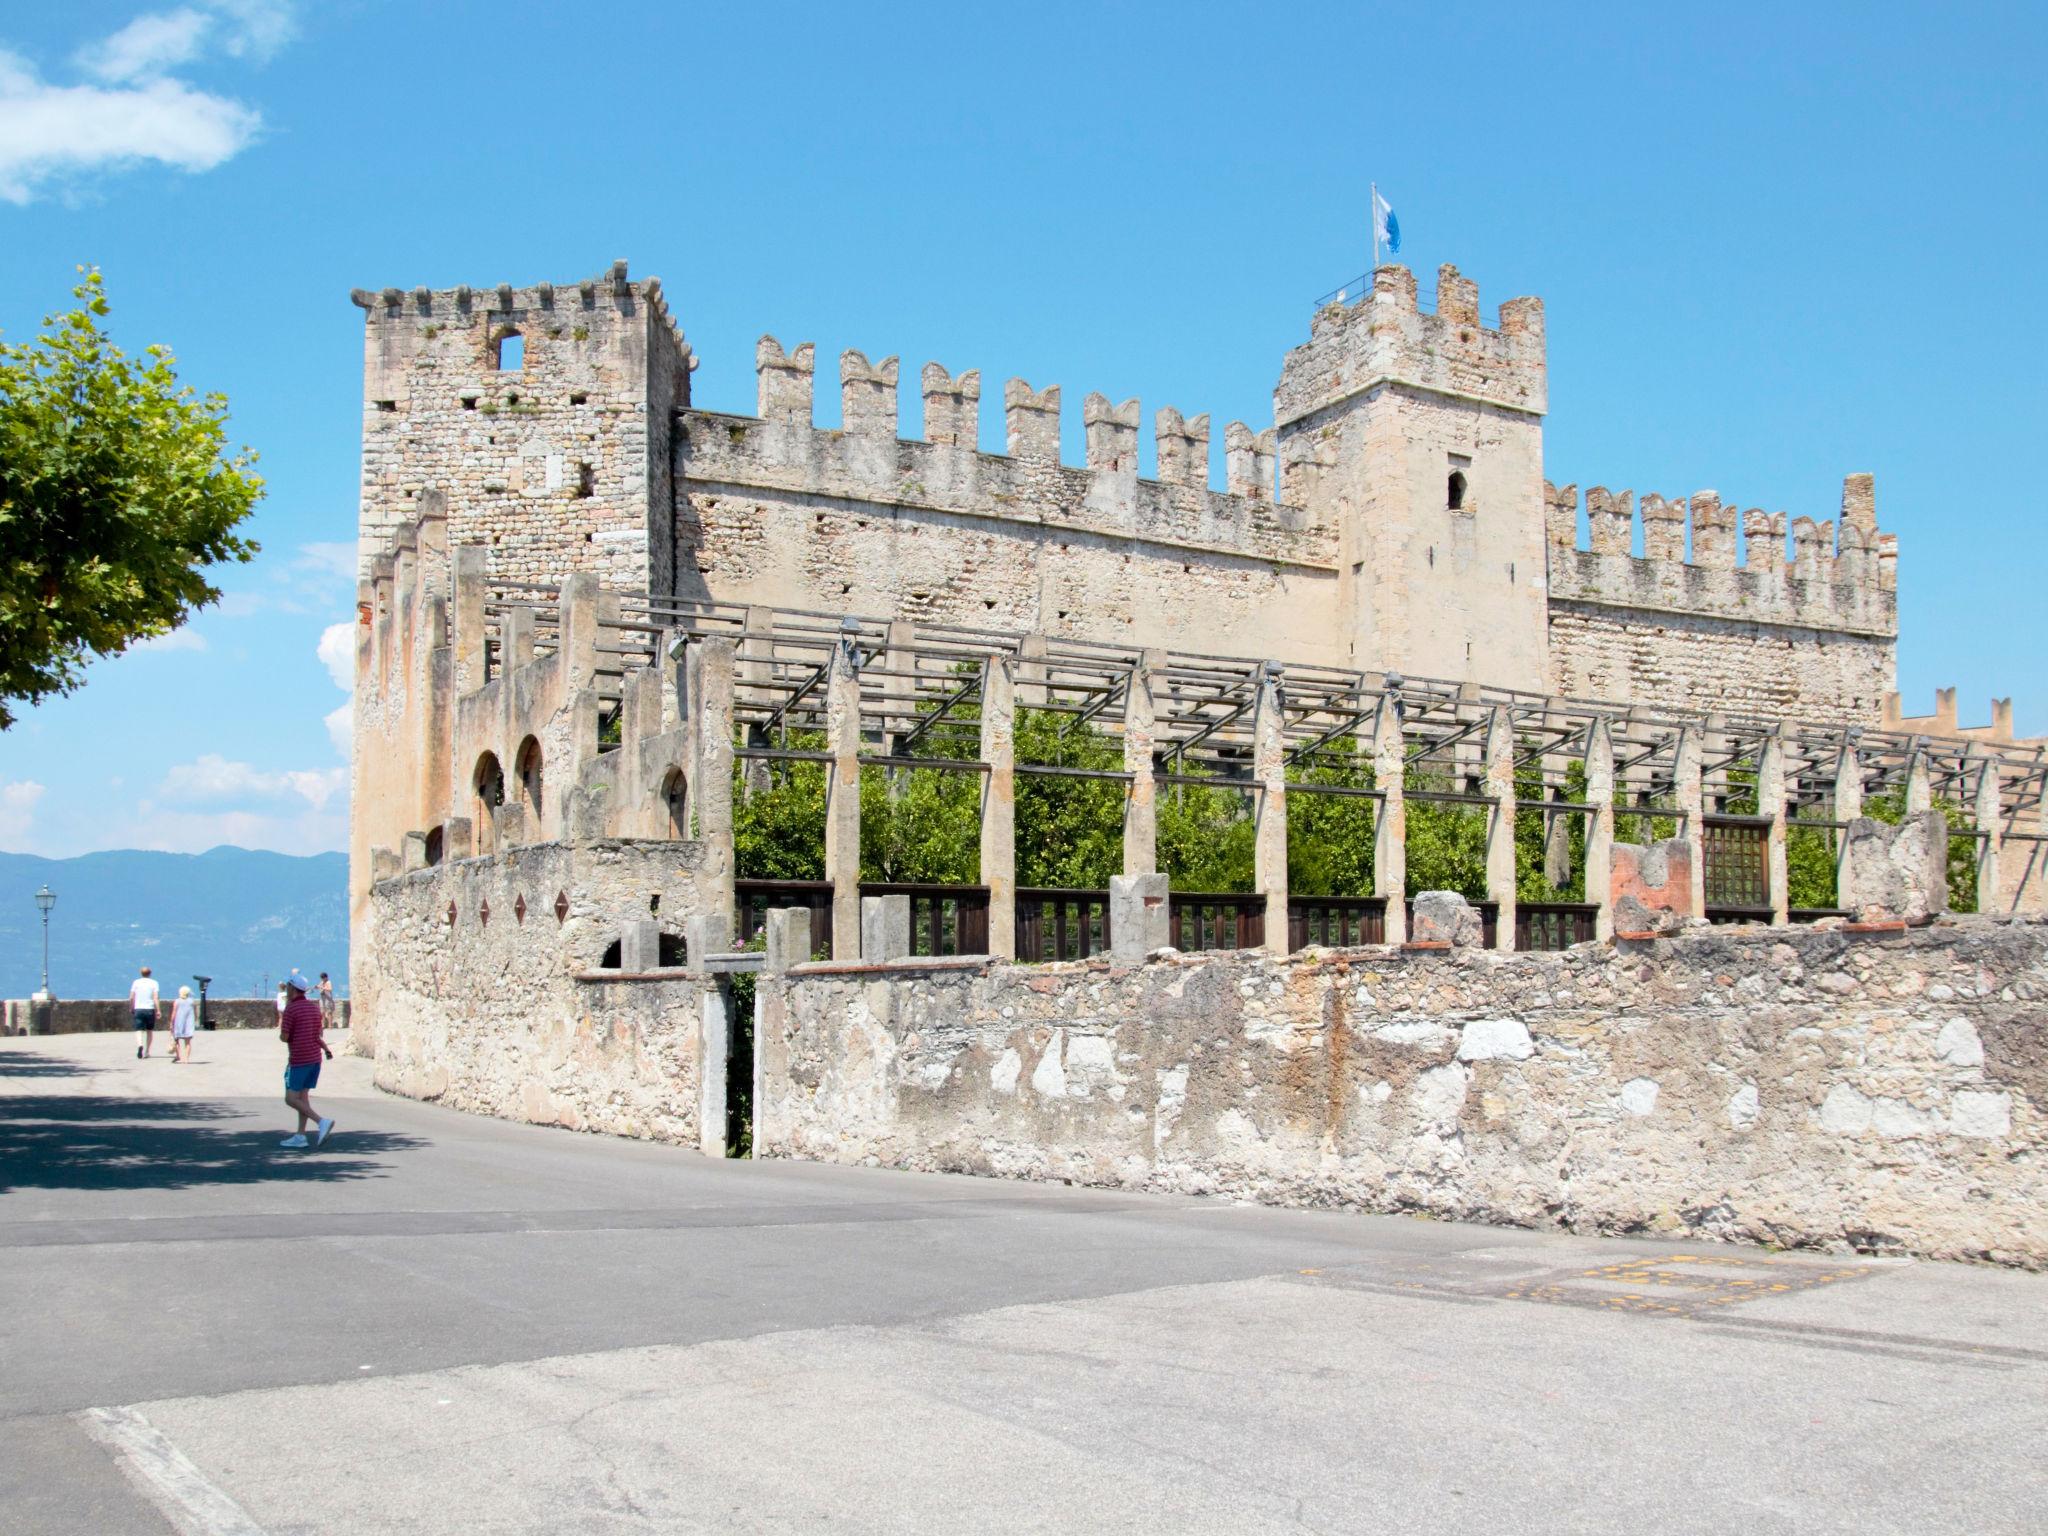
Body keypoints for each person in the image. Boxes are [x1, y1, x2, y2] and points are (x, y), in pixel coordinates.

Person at [277, 970, 335, 1150]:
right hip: (314, 1059)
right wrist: (326, 1049)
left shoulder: (291, 1009)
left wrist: (284, 1036)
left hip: (299, 1059)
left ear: (292, 989)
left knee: (291, 1098)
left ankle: (321, 1121)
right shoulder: (313, 1007)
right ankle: (301, 1135)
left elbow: (285, 1036)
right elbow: (317, 1034)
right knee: (303, 1097)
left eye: (288, 986)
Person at [129, 966, 160, 1059]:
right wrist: (158, 1010)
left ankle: (140, 1045)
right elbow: (155, 998)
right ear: (150, 973)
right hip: (149, 1009)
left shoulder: (136, 982)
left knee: (138, 1030)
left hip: (138, 1008)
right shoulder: (154, 983)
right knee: (149, 1031)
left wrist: (131, 1007)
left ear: (141, 973)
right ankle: (147, 1051)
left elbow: (131, 997)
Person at [169, 985, 198, 1063]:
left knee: (177, 1040)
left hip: (178, 1023)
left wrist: (171, 1022)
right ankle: (186, 1059)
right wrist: (195, 1019)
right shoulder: (192, 1001)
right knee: (188, 1042)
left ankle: (179, 1056)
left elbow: (174, 1013)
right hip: (189, 1024)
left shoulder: (177, 1001)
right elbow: (195, 1013)